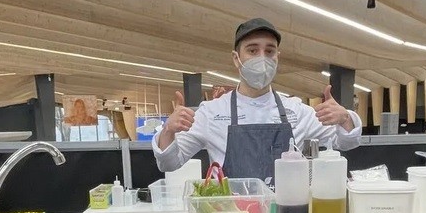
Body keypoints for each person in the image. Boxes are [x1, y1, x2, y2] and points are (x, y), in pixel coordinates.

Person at [152, 18, 362, 184]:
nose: (262, 58)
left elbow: (346, 142)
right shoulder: (212, 113)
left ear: (277, 57)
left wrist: (345, 118)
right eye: (252, 50)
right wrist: (168, 131)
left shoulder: (297, 111)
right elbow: (169, 163)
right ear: (236, 59)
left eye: (269, 51)